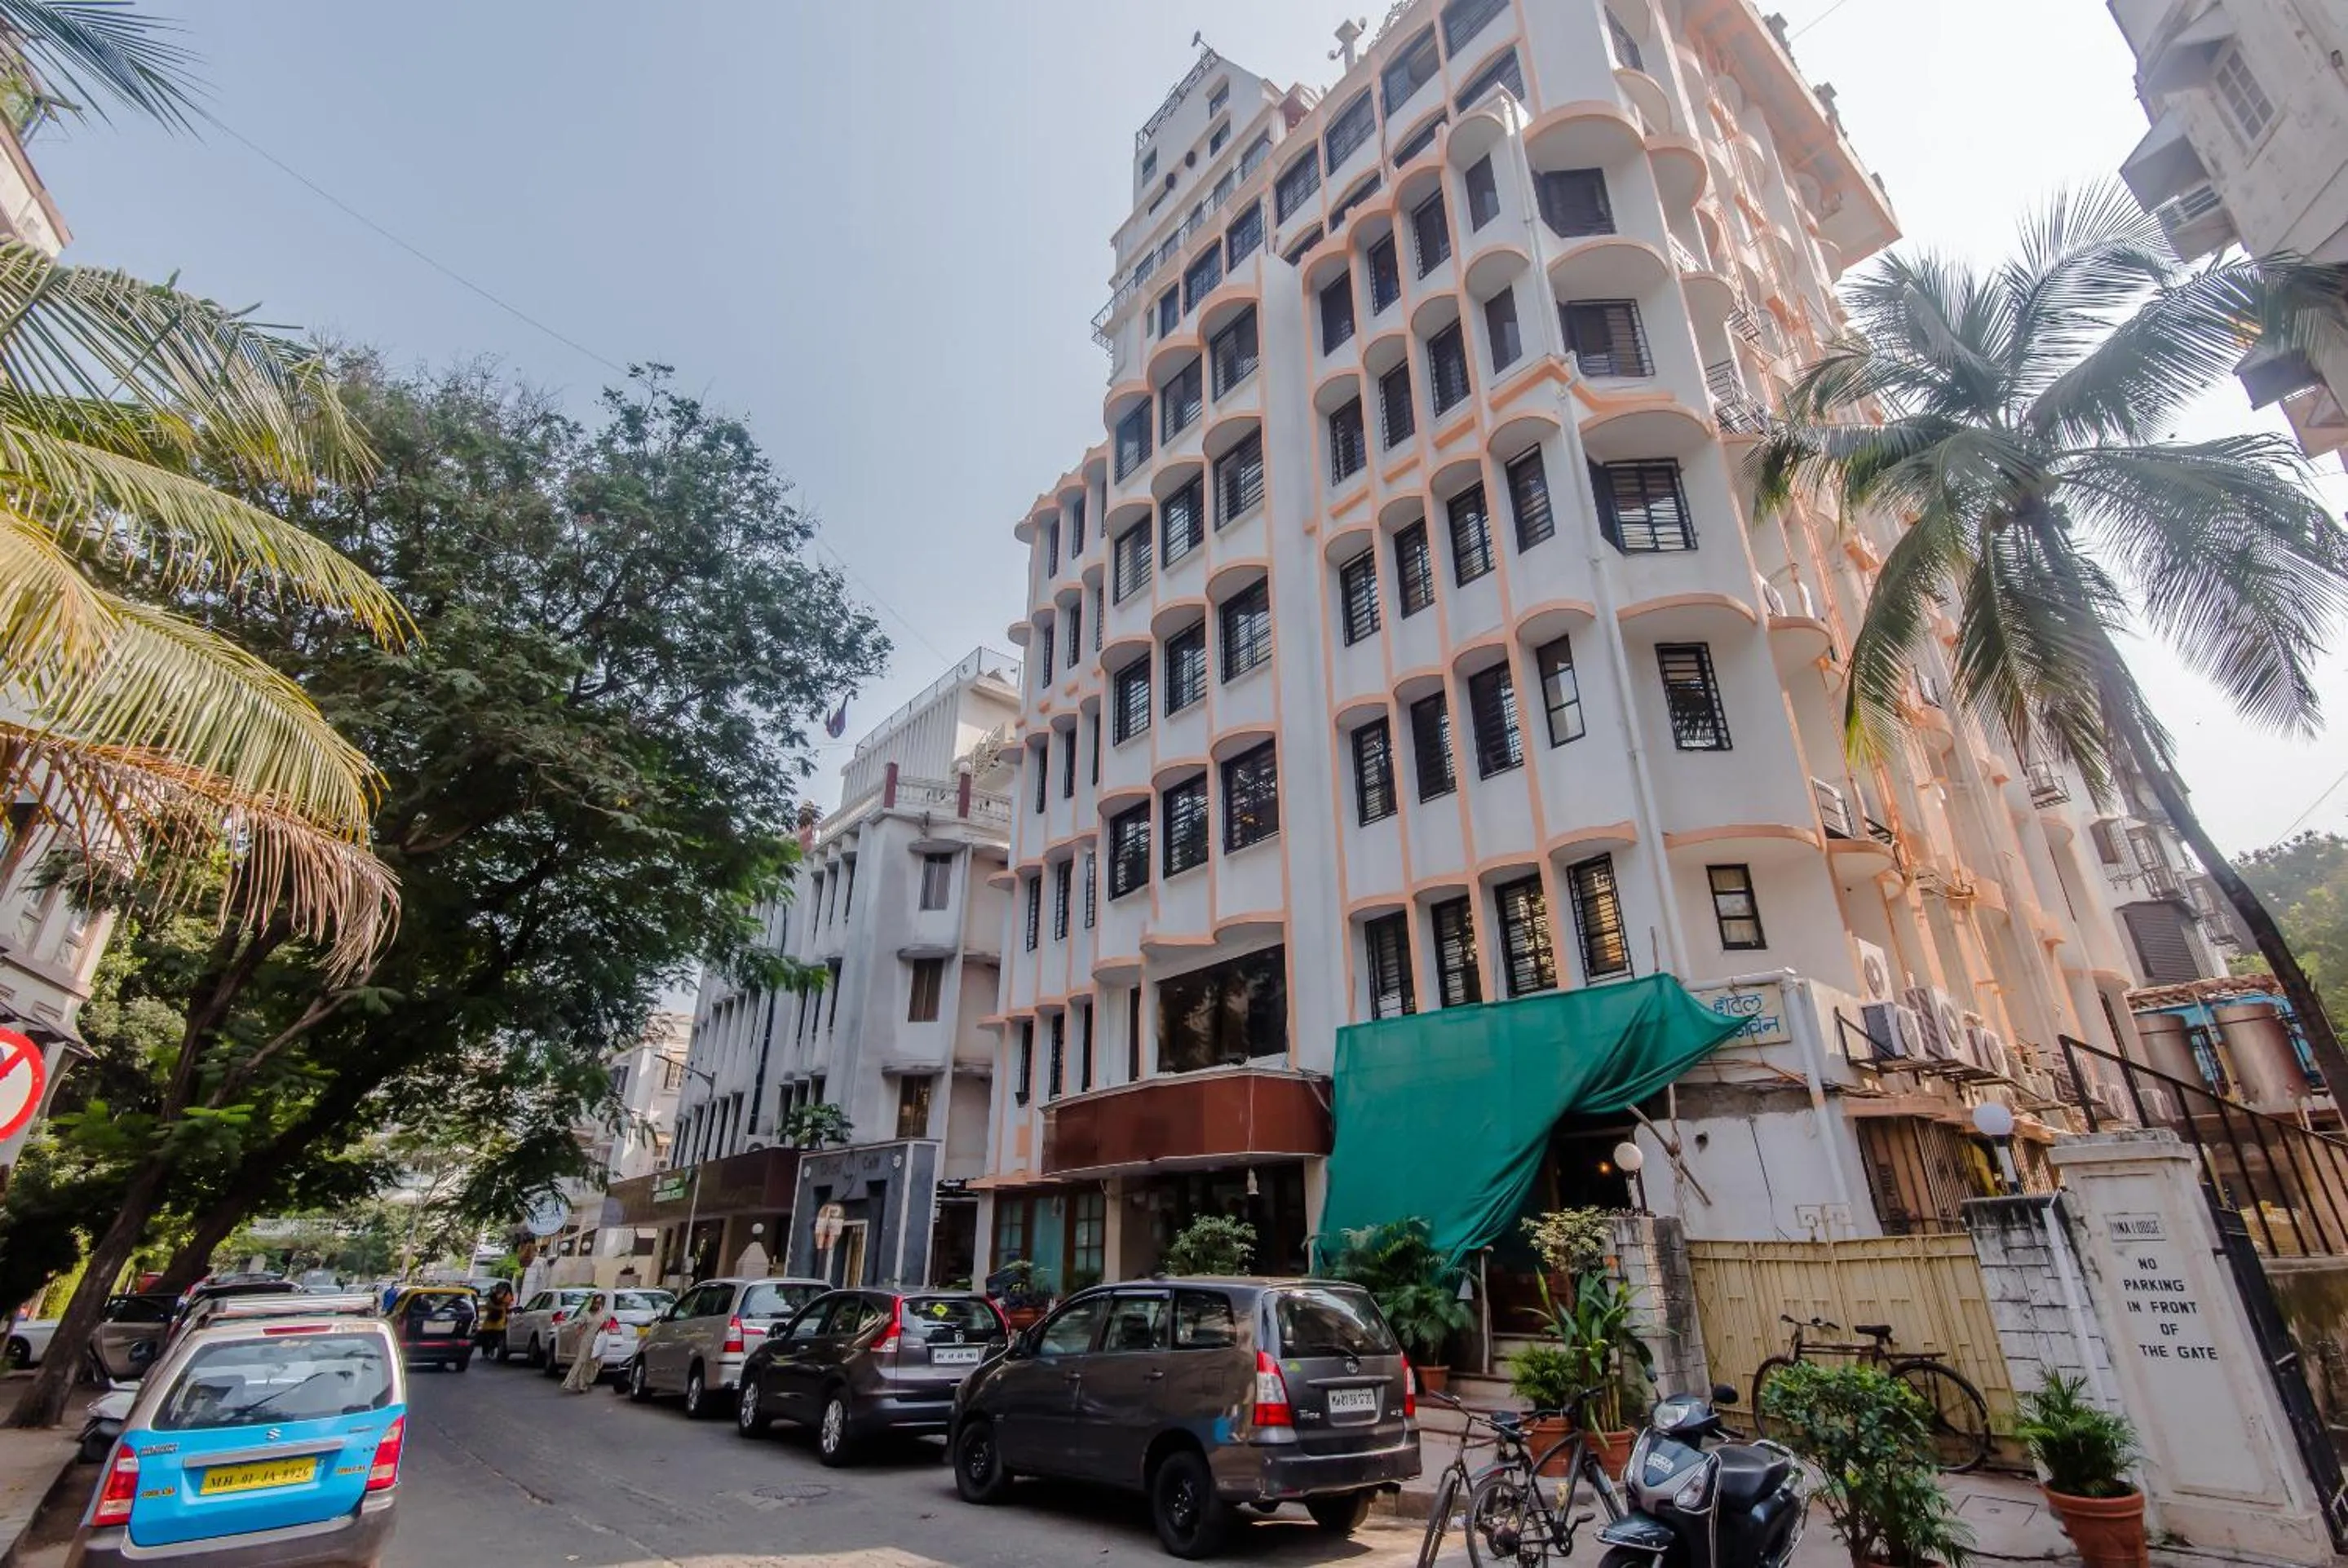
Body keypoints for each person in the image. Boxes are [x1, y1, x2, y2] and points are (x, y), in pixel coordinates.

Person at [559, 1290, 609, 1393]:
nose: (597, 1305)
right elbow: (580, 1326)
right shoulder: (586, 1314)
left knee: (592, 1363)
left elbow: (605, 1328)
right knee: (581, 1360)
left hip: (597, 1341)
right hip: (587, 1339)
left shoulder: (604, 1315)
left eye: (600, 1303)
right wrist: (576, 1335)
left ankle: (585, 1382)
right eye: (596, 1302)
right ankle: (571, 1383)